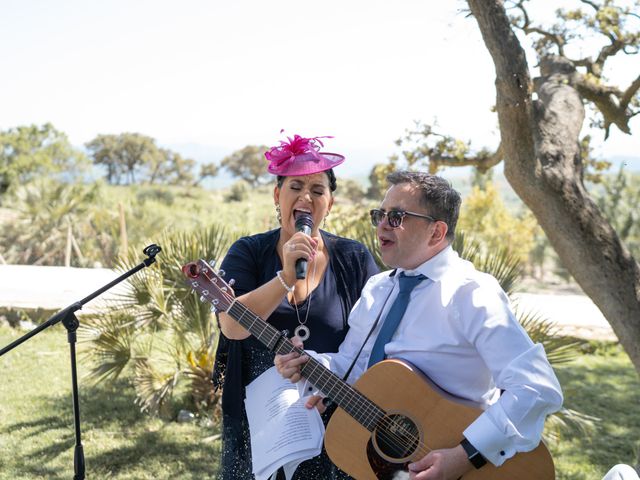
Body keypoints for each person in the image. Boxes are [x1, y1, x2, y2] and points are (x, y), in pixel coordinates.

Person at [275, 171, 563, 479]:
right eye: (380, 215)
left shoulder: (472, 294)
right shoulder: (378, 289)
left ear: (436, 233)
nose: (382, 225)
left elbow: (536, 388)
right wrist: (310, 364)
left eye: (397, 217)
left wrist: (466, 455)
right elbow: (352, 367)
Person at [213, 133, 379, 479]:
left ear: (330, 203)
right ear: (277, 196)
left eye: (318, 190)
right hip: (258, 423)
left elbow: (377, 337)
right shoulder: (247, 252)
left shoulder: (353, 258)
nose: (306, 197)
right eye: (295, 187)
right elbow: (231, 325)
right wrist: (285, 277)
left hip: (333, 420)